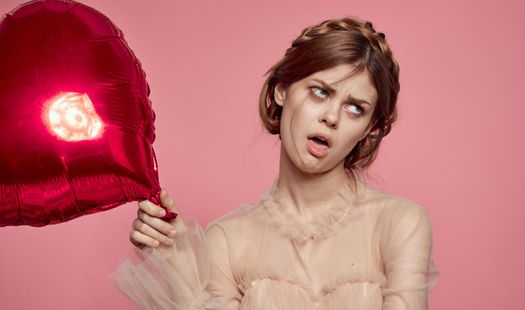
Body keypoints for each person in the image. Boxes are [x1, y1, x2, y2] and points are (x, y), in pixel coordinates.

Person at [110, 17, 439, 309]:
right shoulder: (228, 241)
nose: (331, 117)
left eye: (355, 108)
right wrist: (181, 268)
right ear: (282, 90)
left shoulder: (399, 224)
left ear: (370, 128)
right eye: (320, 92)